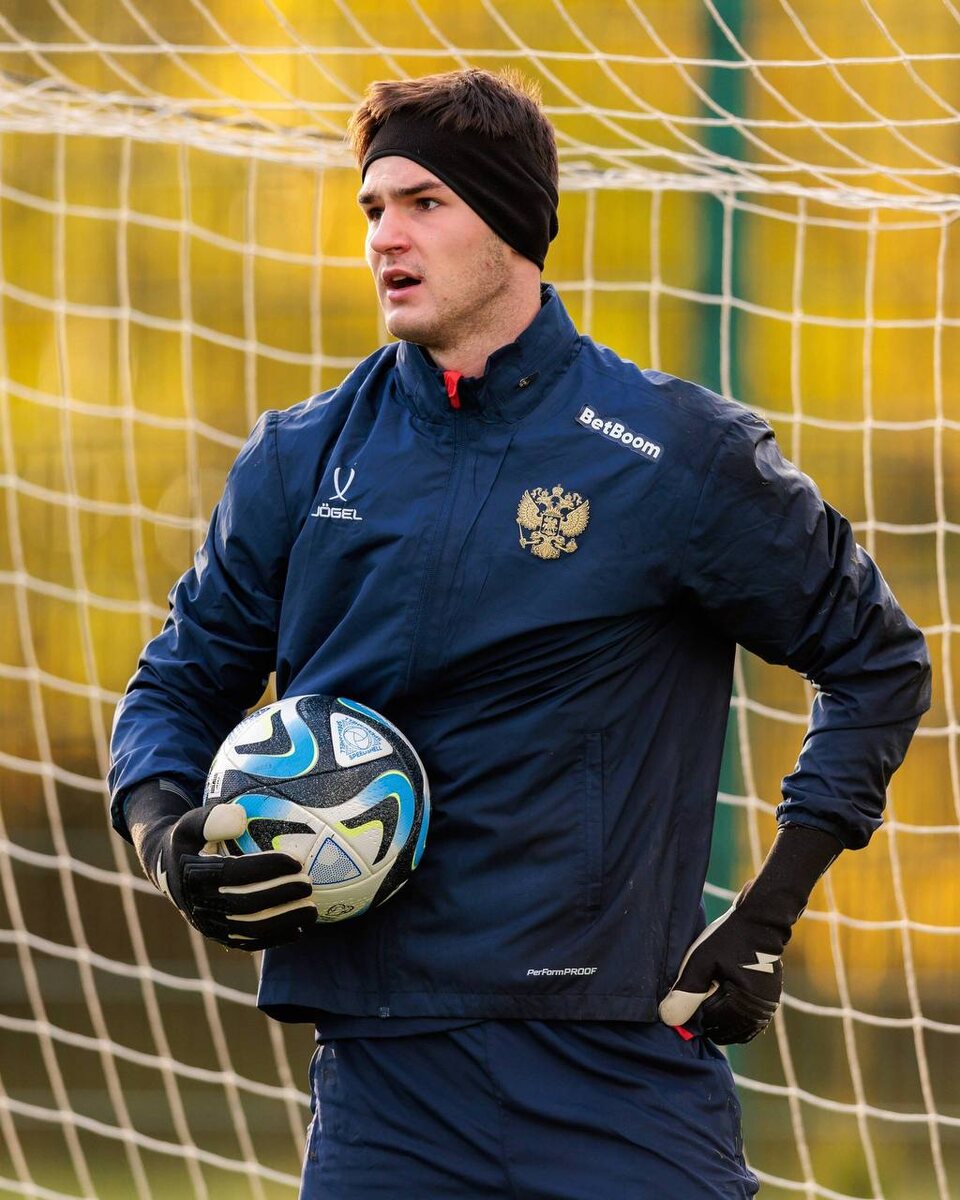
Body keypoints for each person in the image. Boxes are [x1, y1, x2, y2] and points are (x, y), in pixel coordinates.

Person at [109, 68, 931, 1199]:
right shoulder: (300, 459)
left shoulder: (674, 453)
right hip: (382, 1086)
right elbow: (173, 687)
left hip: (617, 1071)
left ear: (510, 222)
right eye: (374, 208)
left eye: (425, 203)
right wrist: (166, 835)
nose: (386, 236)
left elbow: (878, 661)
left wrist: (768, 911)